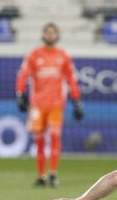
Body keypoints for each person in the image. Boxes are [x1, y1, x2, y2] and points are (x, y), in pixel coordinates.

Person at [16, 22, 83, 188]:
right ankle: (41, 176)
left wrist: (76, 99)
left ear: (57, 35)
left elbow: (71, 79)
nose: (50, 35)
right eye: (47, 32)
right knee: (38, 140)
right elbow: (22, 75)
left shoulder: (63, 56)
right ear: (43, 35)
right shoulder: (34, 55)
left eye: (53, 32)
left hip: (56, 104)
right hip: (37, 105)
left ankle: (53, 173)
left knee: (54, 138)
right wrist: (20, 94)